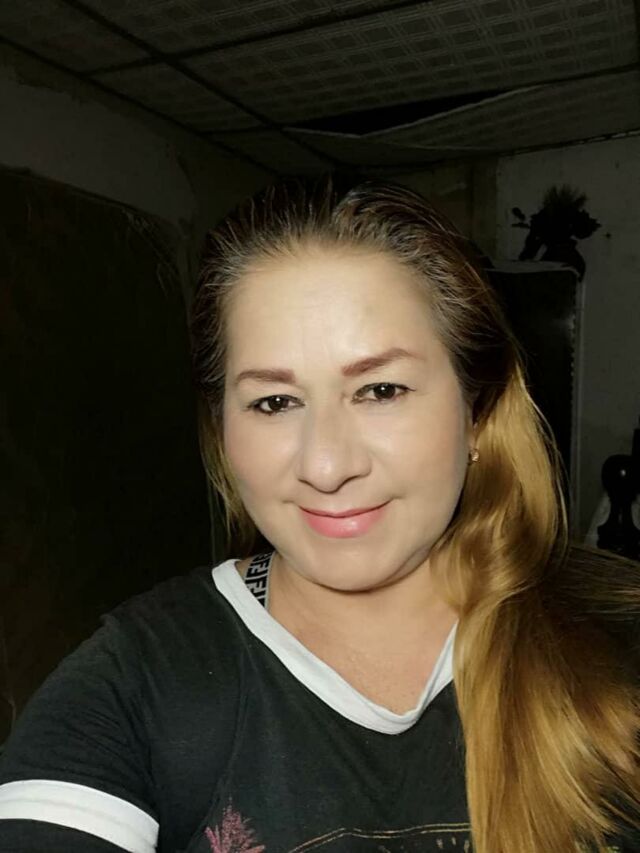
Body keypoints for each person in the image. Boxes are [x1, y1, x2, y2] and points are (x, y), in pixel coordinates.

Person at [0, 176, 639, 853]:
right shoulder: (136, 680)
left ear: (476, 412)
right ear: (223, 428)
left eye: (380, 389)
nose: (327, 466)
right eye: (274, 402)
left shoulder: (617, 633)